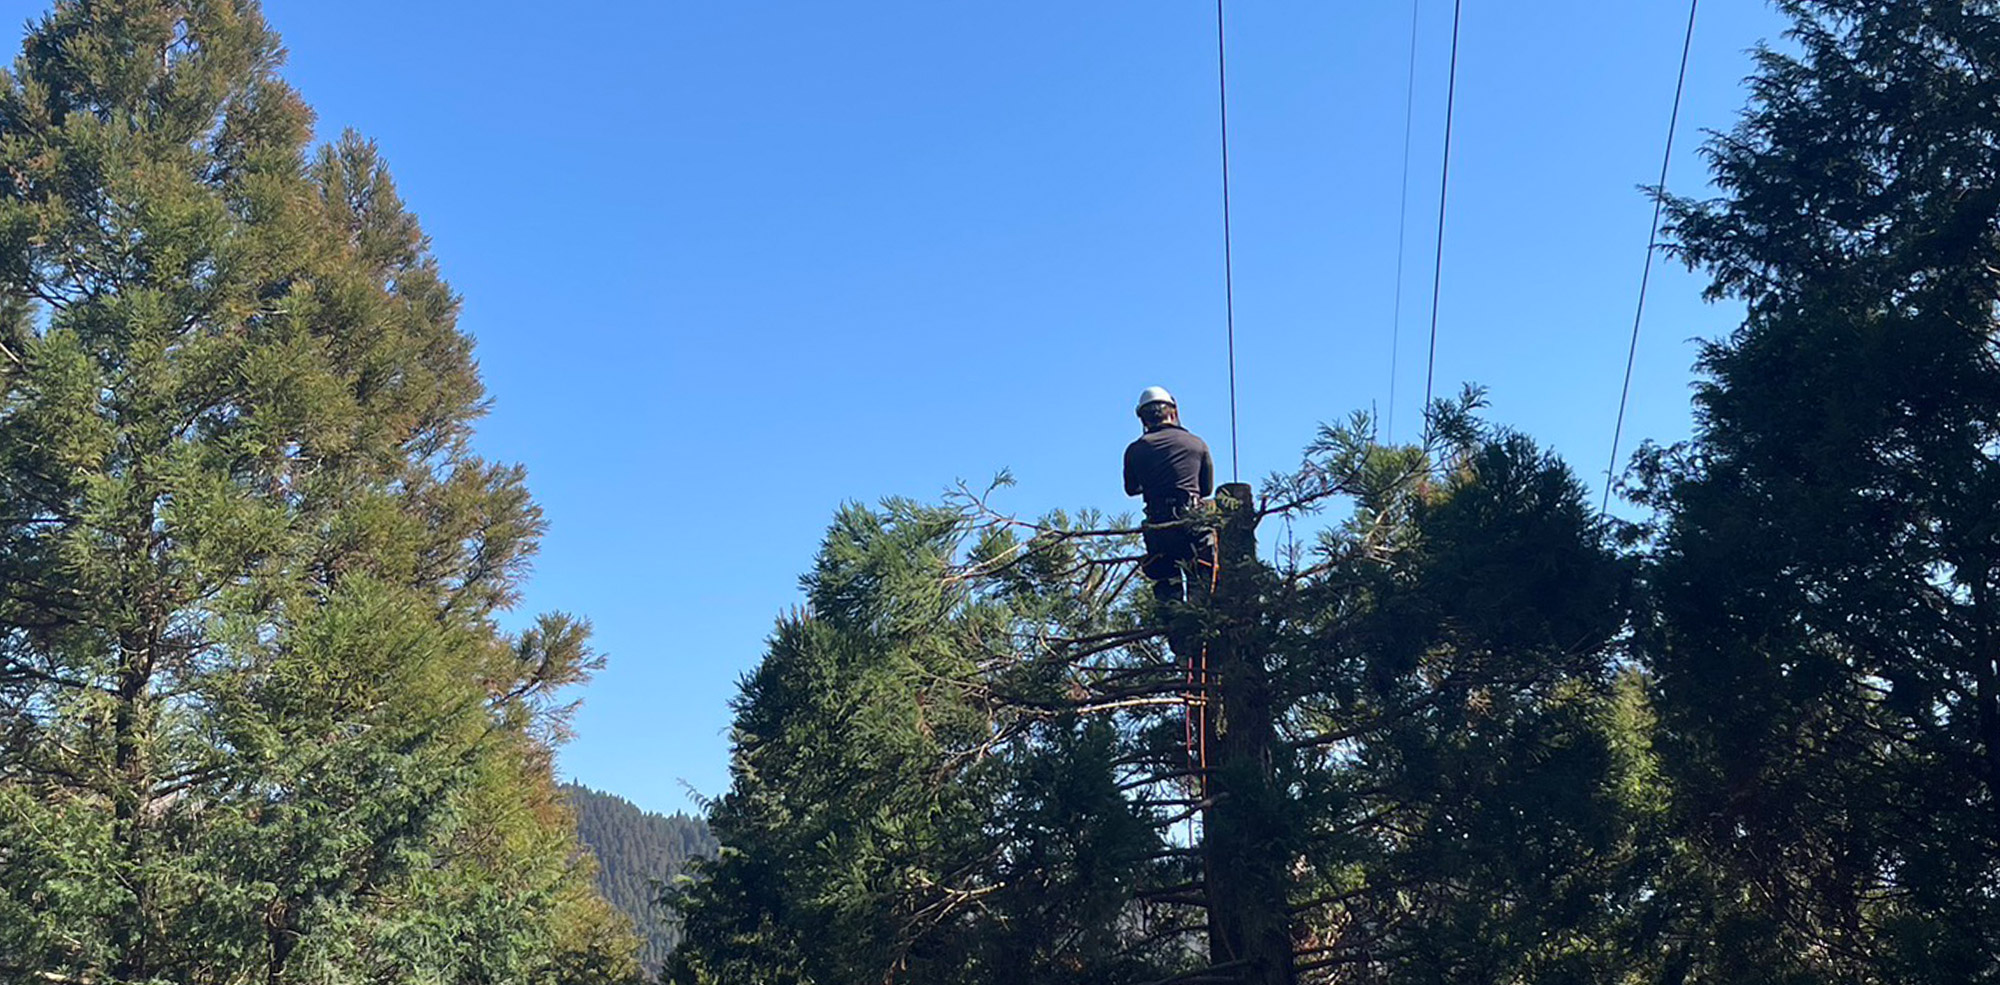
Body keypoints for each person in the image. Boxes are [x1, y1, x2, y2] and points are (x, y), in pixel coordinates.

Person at [1123, 386, 1216, 603]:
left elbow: (1131, 489)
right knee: (1201, 588)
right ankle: (1203, 628)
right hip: (1193, 524)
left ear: (1143, 419)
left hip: (1159, 527)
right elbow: (1206, 489)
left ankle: (1177, 633)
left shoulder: (1135, 449)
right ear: (1173, 412)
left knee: (1169, 594)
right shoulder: (1196, 443)